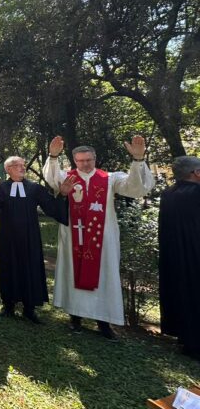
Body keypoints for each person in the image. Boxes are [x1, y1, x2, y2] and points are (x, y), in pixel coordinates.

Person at [43, 135, 155, 339]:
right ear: (75, 161)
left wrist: (138, 161)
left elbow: (135, 188)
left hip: (101, 239)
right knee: (73, 273)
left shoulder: (110, 178)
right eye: (80, 160)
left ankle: (103, 322)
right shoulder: (68, 177)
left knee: (103, 276)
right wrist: (53, 156)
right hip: (73, 236)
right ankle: (75, 318)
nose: (85, 164)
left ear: (95, 159)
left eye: (88, 160)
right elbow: (51, 177)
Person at [0, 157, 75, 323]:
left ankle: (29, 308)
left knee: (30, 267)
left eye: (23, 165)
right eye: (17, 165)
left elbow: (51, 206)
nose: (22, 167)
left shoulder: (34, 188)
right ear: (8, 169)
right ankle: (8, 305)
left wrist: (62, 194)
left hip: (29, 237)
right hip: (8, 237)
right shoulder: (1, 187)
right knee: (9, 266)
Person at [158, 155, 200, 360]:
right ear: (196, 173)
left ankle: (185, 338)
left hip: (173, 257)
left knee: (182, 295)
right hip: (194, 255)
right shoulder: (196, 193)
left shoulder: (168, 194)